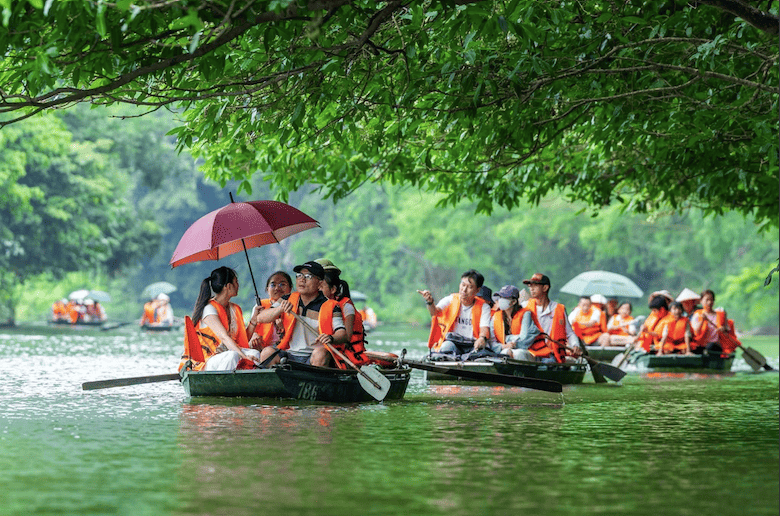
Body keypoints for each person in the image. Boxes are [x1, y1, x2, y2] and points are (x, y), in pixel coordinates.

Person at [256, 261, 348, 367]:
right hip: (289, 354)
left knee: (321, 354)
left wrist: (331, 338)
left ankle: (312, 382)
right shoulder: (287, 299)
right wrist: (280, 309)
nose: (302, 279)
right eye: (299, 275)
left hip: (313, 356)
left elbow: (342, 333)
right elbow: (261, 317)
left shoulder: (331, 306)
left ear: (320, 283)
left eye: (308, 276)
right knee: (267, 352)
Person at [179, 266, 262, 372]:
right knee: (232, 355)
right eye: (236, 282)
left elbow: (243, 341)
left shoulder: (234, 309)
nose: (238, 285)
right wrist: (244, 357)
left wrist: (254, 320)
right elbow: (224, 337)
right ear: (228, 286)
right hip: (206, 361)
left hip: (226, 356)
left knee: (255, 353)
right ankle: (220, 385)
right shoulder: (209, 309)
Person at [417, 269, 491, 357]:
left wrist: (482, 338)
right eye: (463, 285)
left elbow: (484, 328)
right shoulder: (450, 299)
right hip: (453, 342)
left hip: (473, 344)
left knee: (481, 353)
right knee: (446, 347)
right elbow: (435, 312)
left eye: (470, 287)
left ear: (477, 290)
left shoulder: (484, 307)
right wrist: (430, 302)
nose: (464, 290)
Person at [521, 273, 581, 362]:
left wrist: (576, 345)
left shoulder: (558, 309)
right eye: (530, 286)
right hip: (531, 351)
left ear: (545, 288)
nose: (531, 289)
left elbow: (570, 333)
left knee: (549, 363)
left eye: (535, 285)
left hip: (550, 354)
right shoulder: (524, 307)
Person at [320, 267, 369, 368]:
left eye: (321, 287)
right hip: (328, 349)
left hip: (348, 353)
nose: (318, 290)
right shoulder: (320, 306)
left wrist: (331, 340)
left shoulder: (346, 306)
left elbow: (347, 337)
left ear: (333, 289)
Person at [491, 285, 542, 360]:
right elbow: (491, 341)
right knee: (504, 352)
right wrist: (503, 346)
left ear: (514, 302)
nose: (501, 300)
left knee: (518, 353)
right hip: (504, 349)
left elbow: (524, 341)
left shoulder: (526, 314)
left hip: (529, 351)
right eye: (500, 297)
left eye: (504, 298)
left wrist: (506, 338)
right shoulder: (496, 316)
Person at [249, 271, 293, 349]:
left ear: (290, 288)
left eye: (282, 284)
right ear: (267, 289)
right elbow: (253, 329)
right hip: (262, 347)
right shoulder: (260, 306)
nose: (277, 288)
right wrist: (254, 336)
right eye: (273, 285)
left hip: (287, 348)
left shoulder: (293, 305)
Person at [690, 290, 739, 355]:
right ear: (701, 301)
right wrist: (702, 321)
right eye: (707, 300)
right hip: (701, 345)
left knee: (711, 346)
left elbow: (727, 329)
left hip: (715, 346)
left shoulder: (719, 314)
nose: (709, 302)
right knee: (694, 348)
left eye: (711, 300)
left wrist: (723, 328)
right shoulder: (697, 315)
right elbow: (696, 331)